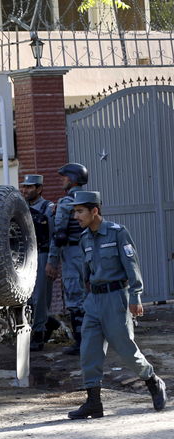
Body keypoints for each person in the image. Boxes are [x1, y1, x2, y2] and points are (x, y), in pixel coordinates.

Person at [67, 191, 166, 418]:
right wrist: (86, 300)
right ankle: (93, 402)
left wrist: (136, 296)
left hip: (116, 299)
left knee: (126, 350)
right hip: (94, 301)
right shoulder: (84, 239)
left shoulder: (117, 233)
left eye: (80, 211)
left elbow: (132, 266)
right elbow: (86, 274)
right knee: (88, 351)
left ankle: (152, 381)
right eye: (74, 211)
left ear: (95, 211)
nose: (76, 216)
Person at [46, 163, 88, 355]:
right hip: (88, 252)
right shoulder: (89, 199)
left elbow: (59, 234)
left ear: (71, 179)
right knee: (88, 297)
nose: (61, 180)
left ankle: (81, 343)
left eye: (64, 177)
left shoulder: (65, 202)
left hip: (71, 253)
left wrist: (52, 262)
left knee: (74, 297)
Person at [19, 175, 54, 351]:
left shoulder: (48, 208)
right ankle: (50, 323)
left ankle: (39, 334)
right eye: (23, 187)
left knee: (40, 296)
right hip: (25, 256)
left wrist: (53, 261)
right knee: (29, 297)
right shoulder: (21, 207)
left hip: (42, 254)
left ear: (39, 189)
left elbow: (54, 235)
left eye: (29, 187)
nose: (25, 190)